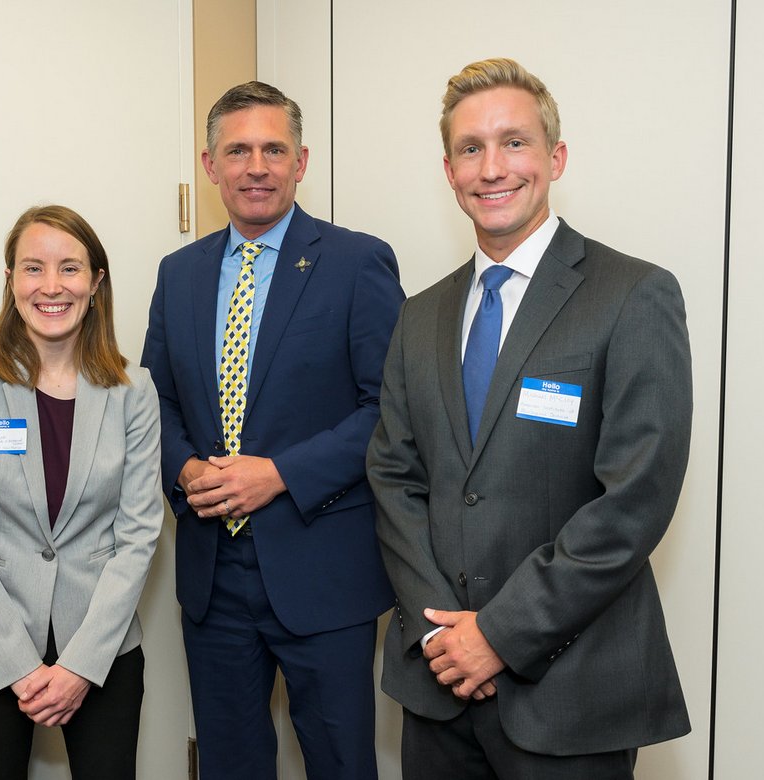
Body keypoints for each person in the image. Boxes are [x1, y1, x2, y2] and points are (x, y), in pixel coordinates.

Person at [367, 58, 692, 779]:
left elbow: (634, 500)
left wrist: (500, 635)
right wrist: (443, 637)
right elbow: (393, 477)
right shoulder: (419, 317)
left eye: (514, 142)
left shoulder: (633, 295)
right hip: (438, 689)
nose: (493, 168)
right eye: (471, 148)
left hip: (570, 696)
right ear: (448, 170)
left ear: (556, 156)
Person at [141, 81, 404, 779]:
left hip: (323, 574)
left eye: (272, 149)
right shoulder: (179, 275)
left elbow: (390, 411)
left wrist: (281, 473)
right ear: (210, 165)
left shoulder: (356, 262)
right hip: (212, 577)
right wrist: (186, 468)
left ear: (300, 160)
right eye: (238, 151)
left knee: (342, 762)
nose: (256, 166)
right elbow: (154, 401)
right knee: (231, 764)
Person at [0, 204, 163, 779]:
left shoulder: (135, 392)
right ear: (10, 282)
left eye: (70, 269)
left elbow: (138, 536)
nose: (51, 287)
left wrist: (80, 665)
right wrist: (19, 665)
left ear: (96, 282)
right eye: (33, 268)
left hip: (101, 647)